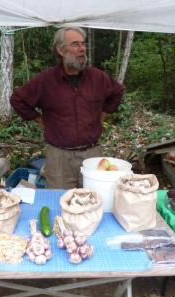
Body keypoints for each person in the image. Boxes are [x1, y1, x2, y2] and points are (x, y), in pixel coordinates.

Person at [10, 27, 125, 189]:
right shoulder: (46, 81)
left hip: (92, 155)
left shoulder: (97, 77)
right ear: (61, 50)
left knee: (94, 200)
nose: (82, 49)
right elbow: (18, 99)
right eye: (75, 44)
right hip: (59, 157)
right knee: (60, 203)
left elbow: (117, 92)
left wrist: (103, 114)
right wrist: (40, 120)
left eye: (83, 44)